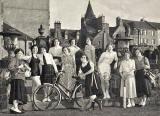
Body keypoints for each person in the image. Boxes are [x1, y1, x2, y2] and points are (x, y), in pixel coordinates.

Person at [8, 48, 31, 114]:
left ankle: (15, 108)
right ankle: (15, 108)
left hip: (21, 78)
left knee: (19, 94)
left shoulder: (22, 61)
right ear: (16, 54)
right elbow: (10, 67)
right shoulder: (14, 59)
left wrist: (27, 69)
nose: (20, 55)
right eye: (19, 53)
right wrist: (18, 67)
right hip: (16, 78)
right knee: (16, 94)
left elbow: (26, 68)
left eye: (21, 53)